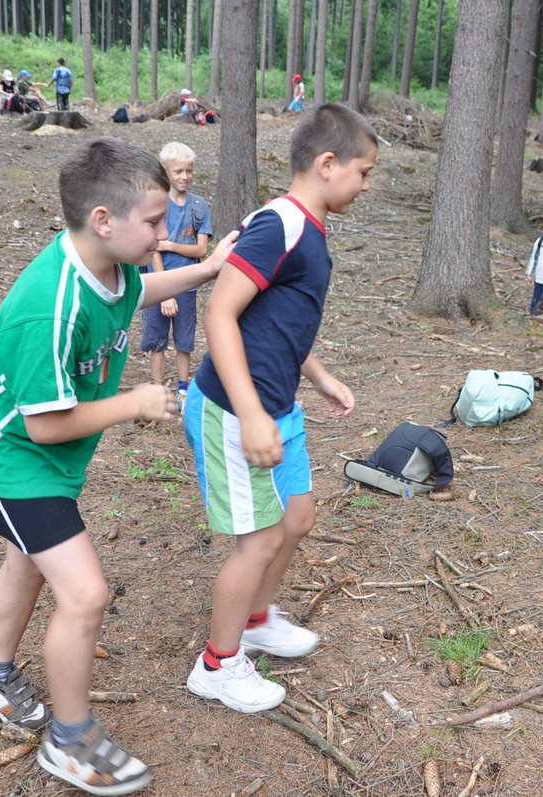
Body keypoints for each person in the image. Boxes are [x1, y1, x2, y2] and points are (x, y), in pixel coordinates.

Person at [0, 137, 236, 793]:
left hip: (37, 459)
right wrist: (132, 402)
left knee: (28, 560)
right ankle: (71, 740)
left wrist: (207, 269)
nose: (164, 234)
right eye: (155, 221)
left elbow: (140, 290)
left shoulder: (109, 266)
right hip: (11, 456)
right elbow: (45, 425)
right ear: (104, 220)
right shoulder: (48, 306)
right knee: (84, 594)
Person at [181, 103, 376, 713]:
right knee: (261, 540)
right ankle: (218, 665)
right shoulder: (280, 225)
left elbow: (274, 321)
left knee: (296, 520)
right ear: (327, 164)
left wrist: (318, 375)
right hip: (233, 408)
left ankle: (257, 620)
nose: (366, 185)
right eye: (364, 172)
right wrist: (251, 414)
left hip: (277, 405)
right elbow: (221, 313)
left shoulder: (308, 229)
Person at [140, 142, 212, 408]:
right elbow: (152, 249)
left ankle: (183, 389)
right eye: (178, 171)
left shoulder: (198, 206)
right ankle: (158, 389)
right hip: (156, 283)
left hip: (187, 284)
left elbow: (201, 249)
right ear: (165, 171)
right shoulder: (158, 205)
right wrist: (164, 293)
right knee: (156, 339)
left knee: (184, 340)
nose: (184, 176)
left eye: (189, 171)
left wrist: (170, 245)